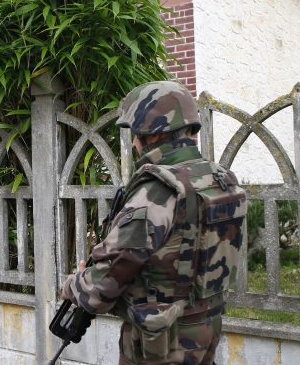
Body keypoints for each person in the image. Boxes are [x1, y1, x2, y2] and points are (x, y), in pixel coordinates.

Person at [61, 81, 247, 364]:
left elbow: (104, 284)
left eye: (135, 134)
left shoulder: (157, 192)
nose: (134, 143)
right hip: (205, 329)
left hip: (161, 343)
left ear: (151, 134)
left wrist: (73, 284)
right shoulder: (219, 178)